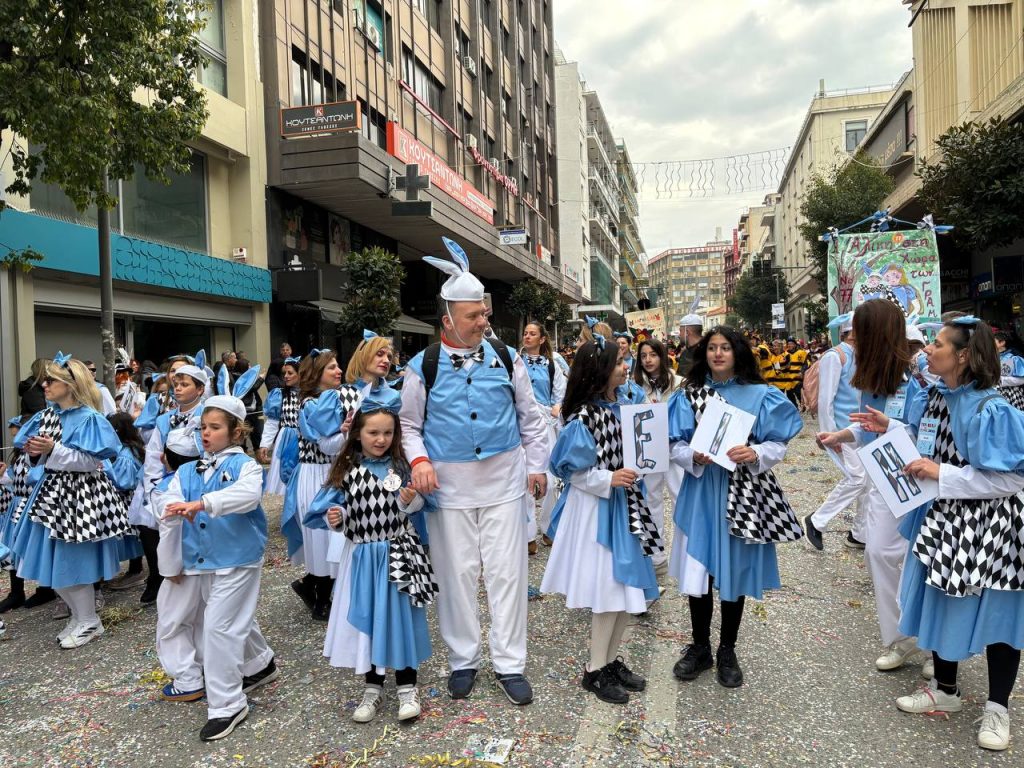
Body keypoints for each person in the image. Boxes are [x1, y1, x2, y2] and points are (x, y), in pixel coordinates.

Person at [830, 317, 1024, 751]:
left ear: (963, 356)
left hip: (992, 529)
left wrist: (944, 474)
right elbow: (924, 443)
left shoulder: (993, 409)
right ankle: (946, 690)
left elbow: (1011, 480)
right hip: (943, 521)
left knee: (999, 616)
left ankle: (998, 709)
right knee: (940, 602)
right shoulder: (934, 394)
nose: (926, 350)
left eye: (936, 343)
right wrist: (891, 428)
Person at [400, 238, 549, 705]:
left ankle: (510, 663)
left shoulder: (508, 358)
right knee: (457, 575)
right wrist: (420, 460)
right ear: (448, 320)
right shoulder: (420, 366)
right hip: (449, 488)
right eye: (474, 316)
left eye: (484, 314)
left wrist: (539, 465)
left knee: (507, 573)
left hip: (504, 481)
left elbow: (531, 417)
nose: (484, 321)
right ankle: (463, 658)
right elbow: (408, 425)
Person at [667, 327, 803, 688]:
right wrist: (690, 455)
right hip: (701, 490)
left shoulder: (761, 395)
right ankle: (699, 647)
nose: (718, 354)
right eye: (711, 348)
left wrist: (755, 452)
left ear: (737, 352)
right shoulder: (689, 395)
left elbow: (779, 443)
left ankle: (727, 649)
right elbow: (673, 443)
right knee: (699, 574)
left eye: (725, 347)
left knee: (733, 571)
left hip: (743, 493)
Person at [542, 335, 662, 704]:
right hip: (598, 511)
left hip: (625, 505)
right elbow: (570, 471)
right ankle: (595, 668)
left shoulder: (625, 406)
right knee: (610, 591)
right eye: (619, 363)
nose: (626, 367)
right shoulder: (583, 417)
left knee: (628, 589)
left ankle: (608, 662)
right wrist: (607, 478)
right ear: (600, 371)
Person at [306, 387, 437, 724]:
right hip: (363, 558)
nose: (380, 439)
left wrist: (411, 500)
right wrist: (337, 519)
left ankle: (408, 686)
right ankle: (372, 687)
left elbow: (419, 508)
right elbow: (334, 512)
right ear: (358, 434)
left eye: (388, 432)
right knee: (370, 620)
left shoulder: (401, 466)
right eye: (373, 432)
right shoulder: (346, 471)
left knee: (401, 618)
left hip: (398, 552)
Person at [154, 394, 277, 742]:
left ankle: (227, 704)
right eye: (203, 427)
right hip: (203, 560)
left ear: (236, 432)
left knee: (219, 627)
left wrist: (204, 503)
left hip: (239, 558)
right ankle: (260, 663)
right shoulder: (186, 471)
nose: (205, 433)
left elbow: (248, 496)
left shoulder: (246, 467)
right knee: (231, 618)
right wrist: (171, 510)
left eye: (215, 427)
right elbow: (168, 504)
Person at [816, 299, 928, 674]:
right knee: (878, 553)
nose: (853, 339)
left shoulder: (920, 375)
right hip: (885, 478)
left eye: (860, 331)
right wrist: (840, 435)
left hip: (923, 481)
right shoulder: (869, 376)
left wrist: (889, 430)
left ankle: (937, 647)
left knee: (922, 561)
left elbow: (923, 434)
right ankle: (904, 638)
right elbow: (869, 426)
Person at [9, 353, 132, 649]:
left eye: (51, 380)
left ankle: (89, 620)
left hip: (79, 497)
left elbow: (93, 462)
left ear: (71, 383)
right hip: (52, 494)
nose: (45, 385)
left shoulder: (90, 418)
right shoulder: (47, 415)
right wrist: (37, 451)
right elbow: (37, 455)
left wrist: (52, 449)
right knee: (51, 563)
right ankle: (80, 617)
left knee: (70, 563)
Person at [281, 349, 358, 621]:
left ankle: (313, 587)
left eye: (339, 366)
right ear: (317, 374)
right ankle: (321, 600)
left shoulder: (334, 398)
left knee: (332, 537)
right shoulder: (310, 405)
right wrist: (348, 431)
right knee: (325, 536)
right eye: (332, 368)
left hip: (330, 472)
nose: (339, 371)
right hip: (318, 475)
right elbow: (328, 447)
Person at [140, 364, 208, 604]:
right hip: (170, 484)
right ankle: (168, 575)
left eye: (185, 384)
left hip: (200, 484)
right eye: (176, 385)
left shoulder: (208, 416)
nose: (178, 389)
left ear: (200, 389)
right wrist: (154, 487)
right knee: (167, 531)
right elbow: (153, 455)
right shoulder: (164, 420)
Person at [803, 314, 867, 551]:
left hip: (860, 430)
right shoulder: (835, 356)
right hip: (841, 430)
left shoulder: (861, 356)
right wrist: (829, 435)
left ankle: (860, 534)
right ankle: (816, 521)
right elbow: (825, 399)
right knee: (858, 478)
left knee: (866, 481)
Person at [634, 337, 683, 579]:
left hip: (675, 448)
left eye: (652, 355)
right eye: (643, 356)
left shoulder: (680, 384)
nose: (648, 360)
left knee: (680, 497)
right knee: (651, 500)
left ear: (662, 356)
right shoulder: (634, 386)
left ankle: (685, 555)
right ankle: (656, 556)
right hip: (647, 449)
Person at [521, 321, 567, 552]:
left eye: (532, 334)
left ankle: (550, 528)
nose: (527, 337)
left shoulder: (552, 365)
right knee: (524, 477)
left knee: (549, 478)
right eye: (525, 333)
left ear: (541, 339)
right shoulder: (514, 363)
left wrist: (557, 406)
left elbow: (560, 392)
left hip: (546, 424)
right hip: (521, 425)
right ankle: (528, 535)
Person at [258, 356, 302, 496]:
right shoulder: (279, 395)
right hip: (286, 438)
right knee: (286, 475)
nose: (286, 376)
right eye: (284, 373)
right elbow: (272, 423)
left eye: (290, 373)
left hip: (304, 439)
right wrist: (265, 444)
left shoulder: (309, 395)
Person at [994, 330, 1024, 411]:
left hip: (1013, 396)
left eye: (993, 341)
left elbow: (1022, 379)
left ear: (1002, 342)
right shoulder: (994, 358)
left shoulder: (1012, 359)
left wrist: (1001, 380)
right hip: (998, 395)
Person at [777, 338, 808, 409]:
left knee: (798, 392)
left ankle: (802, 404)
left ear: (795, 345)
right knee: (789, 394)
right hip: (788, 378)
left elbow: (805, 364)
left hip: (797, 377)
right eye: (788, 344)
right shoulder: (784, 354)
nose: (789, 345)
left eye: (791, 344)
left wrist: (802, 372)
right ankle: (794, 408)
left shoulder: (801, 352)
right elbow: (778, 364)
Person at [677, 300, 704, 375]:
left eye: (680, 331)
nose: (679, 335)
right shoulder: (685, 352)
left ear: (687, 332)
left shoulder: (707, 351)